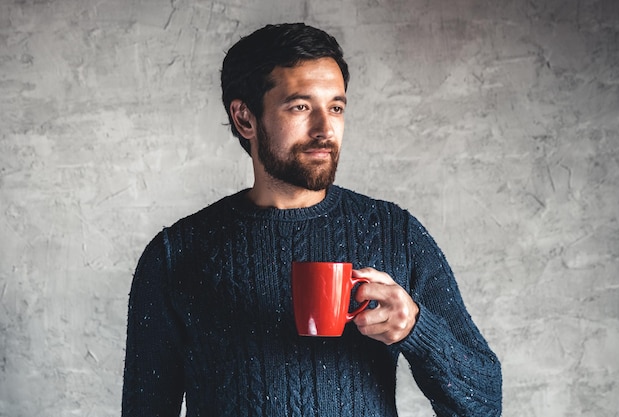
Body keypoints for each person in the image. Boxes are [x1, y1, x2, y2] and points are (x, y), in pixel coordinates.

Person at [122, 23, 502, 416]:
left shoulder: (395, 232)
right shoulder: (176, 254)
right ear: (245, 119)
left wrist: (416, 330)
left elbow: (485, 403)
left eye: (336, 107)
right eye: (301, 107)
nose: (325, 129)